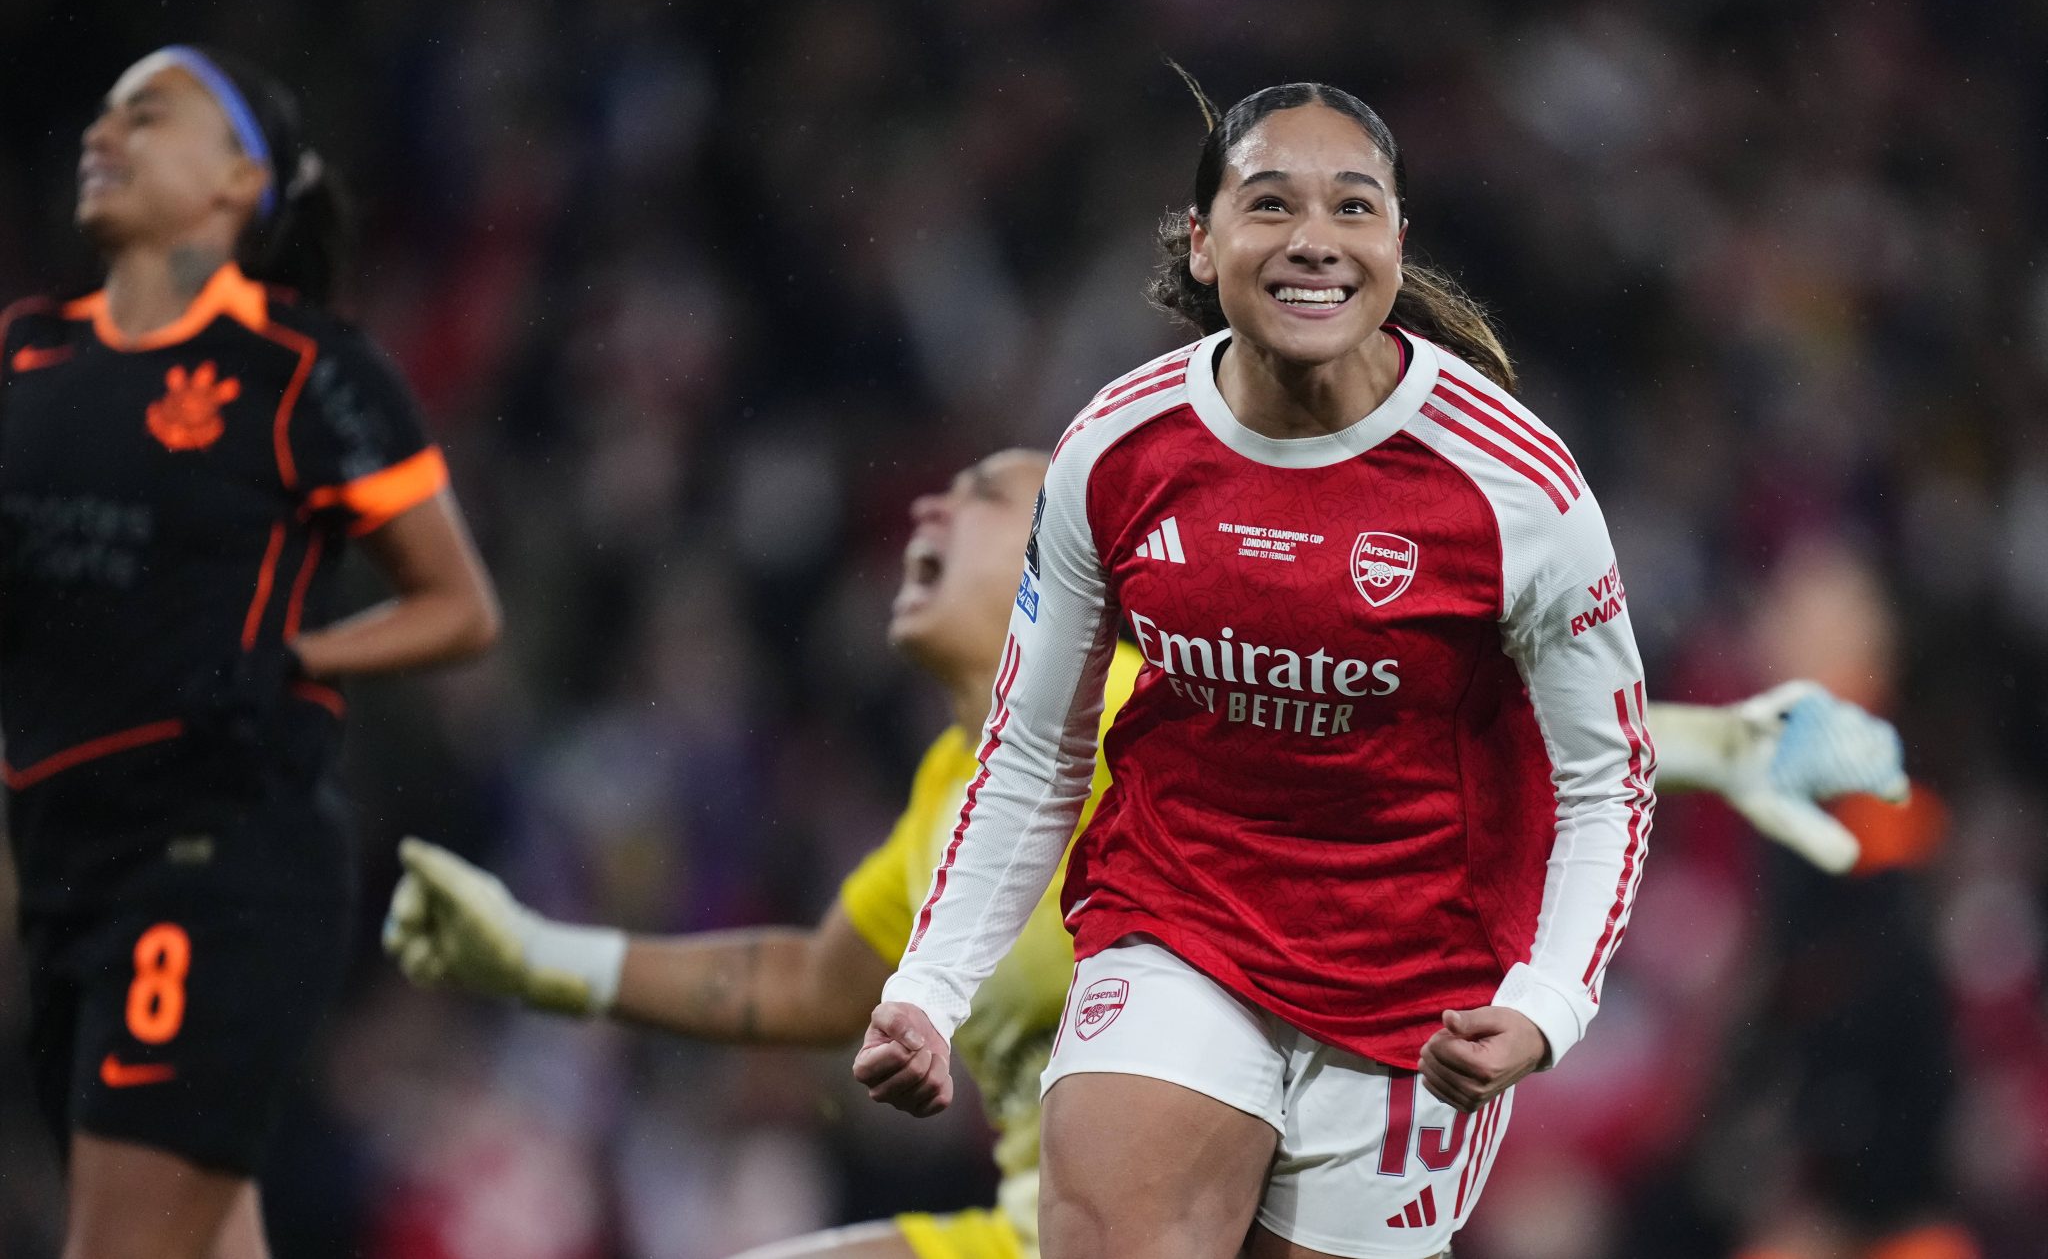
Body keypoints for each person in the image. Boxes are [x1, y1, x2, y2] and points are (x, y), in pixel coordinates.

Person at [383, 445, 1905, 1259]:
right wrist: (535, 957)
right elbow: (802, 979)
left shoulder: (1180, 695)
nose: (931, 502)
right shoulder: (945, 793)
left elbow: (1441, 723)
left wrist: (1705, 744)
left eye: (983, 490)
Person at [843, 76, 1674, 1259]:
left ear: (1395, 239)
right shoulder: (1115, 452)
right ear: (1202, 241)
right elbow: (1034, 748)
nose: (1312, 242)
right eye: (1269, 204)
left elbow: (1609, 781)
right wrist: (930, 986)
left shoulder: (1513, 485)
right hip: (1177, 922)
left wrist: (1547, 1004)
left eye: (1351, 207)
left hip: (1417, 986)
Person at [0, 46, 501, 1259]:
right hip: (66, 871)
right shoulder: (25, 354)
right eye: (103, 108)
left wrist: (304, 656)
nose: (103, 131)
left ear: (239, 180)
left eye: (148, 112)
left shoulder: (302, 368)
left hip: (216, 862)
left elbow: (459, 606)